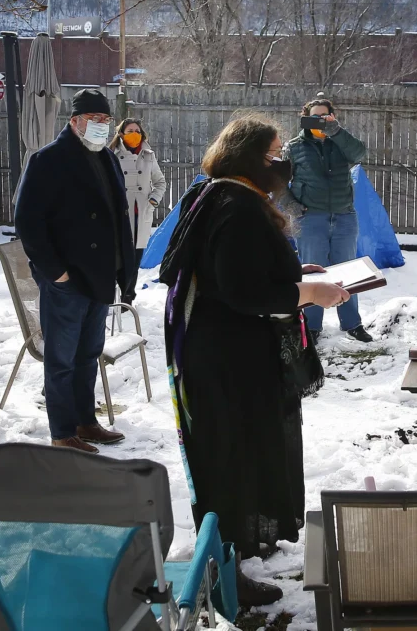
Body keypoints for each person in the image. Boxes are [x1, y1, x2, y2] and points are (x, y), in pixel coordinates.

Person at [159, 117, 350, 607]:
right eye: (271, 156)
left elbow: (233, 271)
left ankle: (229, 559)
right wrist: (306, 291)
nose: (280, 164)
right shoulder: (238, 206)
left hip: (217, 353)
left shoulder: (213, 193)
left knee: (229, 457)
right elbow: (244, 291)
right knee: (232, 463)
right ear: (247, 157)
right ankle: (226, 575)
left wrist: (292, 273)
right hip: (230, 363)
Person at [14, 89, 137, 454]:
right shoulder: (48, 160)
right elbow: (27, 221)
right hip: (67, 281)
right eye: (93, 121)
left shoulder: (107, 158)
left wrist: (123, 271)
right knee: (62, 361)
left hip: (100, 277)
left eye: (105, 121)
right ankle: (62, 432)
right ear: (74, 121)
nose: (101, 127)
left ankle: (86, 421)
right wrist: (56, 273)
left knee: (88, 355)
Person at [286, 96, 370, 343]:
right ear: (305, 118)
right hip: (311, 217)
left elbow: (360, 153)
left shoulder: (341, 142)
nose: (320, 121)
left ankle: (352, 324)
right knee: (313, 273)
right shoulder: (293, 147)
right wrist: (292, 206)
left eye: (325, 116)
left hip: (344, 216)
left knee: (348, 272)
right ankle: (312, 327)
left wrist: (336, 131)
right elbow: (279, 183)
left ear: (332, 117)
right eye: (315, 116)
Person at [110, 118, 167, 269]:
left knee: (134, 264)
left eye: (137, 131)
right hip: (120, 216)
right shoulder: (111, 155)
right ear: (121, 134)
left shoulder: (149, 155)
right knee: (118, 264)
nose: (134, 134)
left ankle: (129, 293)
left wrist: (153, 202)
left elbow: (160, 182)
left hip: (141, 215)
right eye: (130, 131)